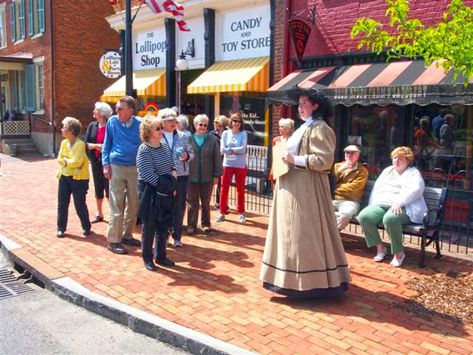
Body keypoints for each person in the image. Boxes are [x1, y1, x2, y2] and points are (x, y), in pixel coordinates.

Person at [260, 88, 351, 298]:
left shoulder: (320, 128)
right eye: (299, 104)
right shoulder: (304, 127)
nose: (300, 108)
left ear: (316, 106)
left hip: (307, 188)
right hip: (291, 186)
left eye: (304, 104)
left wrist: (296, 160)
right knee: (290, 232)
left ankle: (312, 282)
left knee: (304, 232)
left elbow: (325, 160)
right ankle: (287, 279)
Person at [357, 146, 427, 267]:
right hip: (382, 204)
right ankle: (380, 248)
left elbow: (416, 189)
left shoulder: (413, 173)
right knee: (364, 216)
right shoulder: (387, 171)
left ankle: (399, 253)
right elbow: (377, 188)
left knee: (390, 218)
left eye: (401, 158)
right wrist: (372, 204)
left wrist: (400, 202)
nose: (397, 161)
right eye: (395, 158)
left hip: (405, 207)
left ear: (408, 161)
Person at [102, 96, 142, 254]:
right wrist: (106, 164)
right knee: (116, 204)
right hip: (116, 165)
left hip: (135, 168)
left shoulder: (139, 124)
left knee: (133, 204)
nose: (116, 111)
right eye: (116, 108)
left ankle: (126, 235)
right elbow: (107, 144)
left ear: (130, 110)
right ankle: (113, 240)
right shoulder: (112, 122)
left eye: (120, 108)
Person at [136, 114, 177, 271]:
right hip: (150, 191)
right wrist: (167, 185)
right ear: (148, 131)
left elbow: (171, 163)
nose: (161, 130)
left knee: (163, 224)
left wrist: (172, 173)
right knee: (149, 225)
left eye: (161, 127)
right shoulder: (144, 149)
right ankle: (147, 257)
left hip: (165, 189)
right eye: (158, 128)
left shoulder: (164, 144)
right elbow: (147, 174)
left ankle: (161, 255)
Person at [161, 108, 194, 247]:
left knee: (179, 207)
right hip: (164, 176)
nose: (172, 123)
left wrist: (187, 156)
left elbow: (192, 153)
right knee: (164, 207)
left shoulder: (183, 136)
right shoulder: (157, 136)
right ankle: (164, 235)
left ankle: (177, 237)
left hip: (181, 176)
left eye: (174, 120)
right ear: (162, 122)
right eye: (169, 120)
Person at [56, 117, 91, 238]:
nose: (62, 129)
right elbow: (59, 159)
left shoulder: (80, 144)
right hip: (64, 176)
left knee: (79, 204)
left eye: (64, 127)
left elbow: (77, 162)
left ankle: (86, 226)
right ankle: (61, 228)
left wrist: (66, 161)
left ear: (71, 130)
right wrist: (66, 161)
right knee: (62, 203)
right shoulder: (64, 143)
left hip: (79, 179)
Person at [187, 114, 222, 234]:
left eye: (205, 125)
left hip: (207, 177)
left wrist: (217, 175)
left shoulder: (212, 140)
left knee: (206, 202)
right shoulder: (188, 139)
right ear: (195, 125)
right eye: (200, 124)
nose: (202, 127)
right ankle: (191, 225)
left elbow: (217, 158)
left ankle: (206, 224)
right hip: (191, 176)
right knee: (192, 203)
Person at [216, 113, 248, 224]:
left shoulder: (243, 133)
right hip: (227, 164)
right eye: (234, 121)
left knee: (240, 190)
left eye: (239, 121)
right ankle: (222, 212)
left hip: (240, 165)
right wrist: (235, 150)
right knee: (224, 189)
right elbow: (222, 149)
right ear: (231, 122)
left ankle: (241, 213)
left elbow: (243, 149)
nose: (236, 123)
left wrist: (231, 150)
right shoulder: (225, 133)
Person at [85, 102, 113, 223]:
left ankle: (112, 214)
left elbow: (112, 144)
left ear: (102, 113)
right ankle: (99, 213)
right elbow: (86, 143)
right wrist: (96, 147)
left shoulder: (110, 126)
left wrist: (98, 146)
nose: (93, 112)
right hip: (95, 162)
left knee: (109, 188)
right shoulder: (92, 126)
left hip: (108, 162)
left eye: (95, 110)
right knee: (98, 187)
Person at [332, 144, 369, 231]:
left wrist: (334, 188)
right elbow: (329, 182)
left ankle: (332, 237)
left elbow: (353, 188)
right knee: (318, 210)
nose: (349, 155)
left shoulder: (362, 170)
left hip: (350, 201)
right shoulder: (336, 166)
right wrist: (340, 171)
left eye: (353, 153)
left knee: (344, 215)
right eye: (347, 153)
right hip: (333, 199)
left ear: (358, 155)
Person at [210, 115, 230, 209]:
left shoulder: (228, 133)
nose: (214, 124)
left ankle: (220, 202)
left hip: (224, 160)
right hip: (213, 160)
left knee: (221, 183)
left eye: (216, 122)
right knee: (212, 181)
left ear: (221, 124)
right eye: (214, 122)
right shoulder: (211, 133)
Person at [268, 118, 294, 183]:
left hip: (289, 171)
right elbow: (275, 158)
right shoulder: (276, 140)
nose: (279, 128)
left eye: (282, 127)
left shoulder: (293, 140)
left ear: (288, 128)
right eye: (279, 126)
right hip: (277, 170)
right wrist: (272, 170)